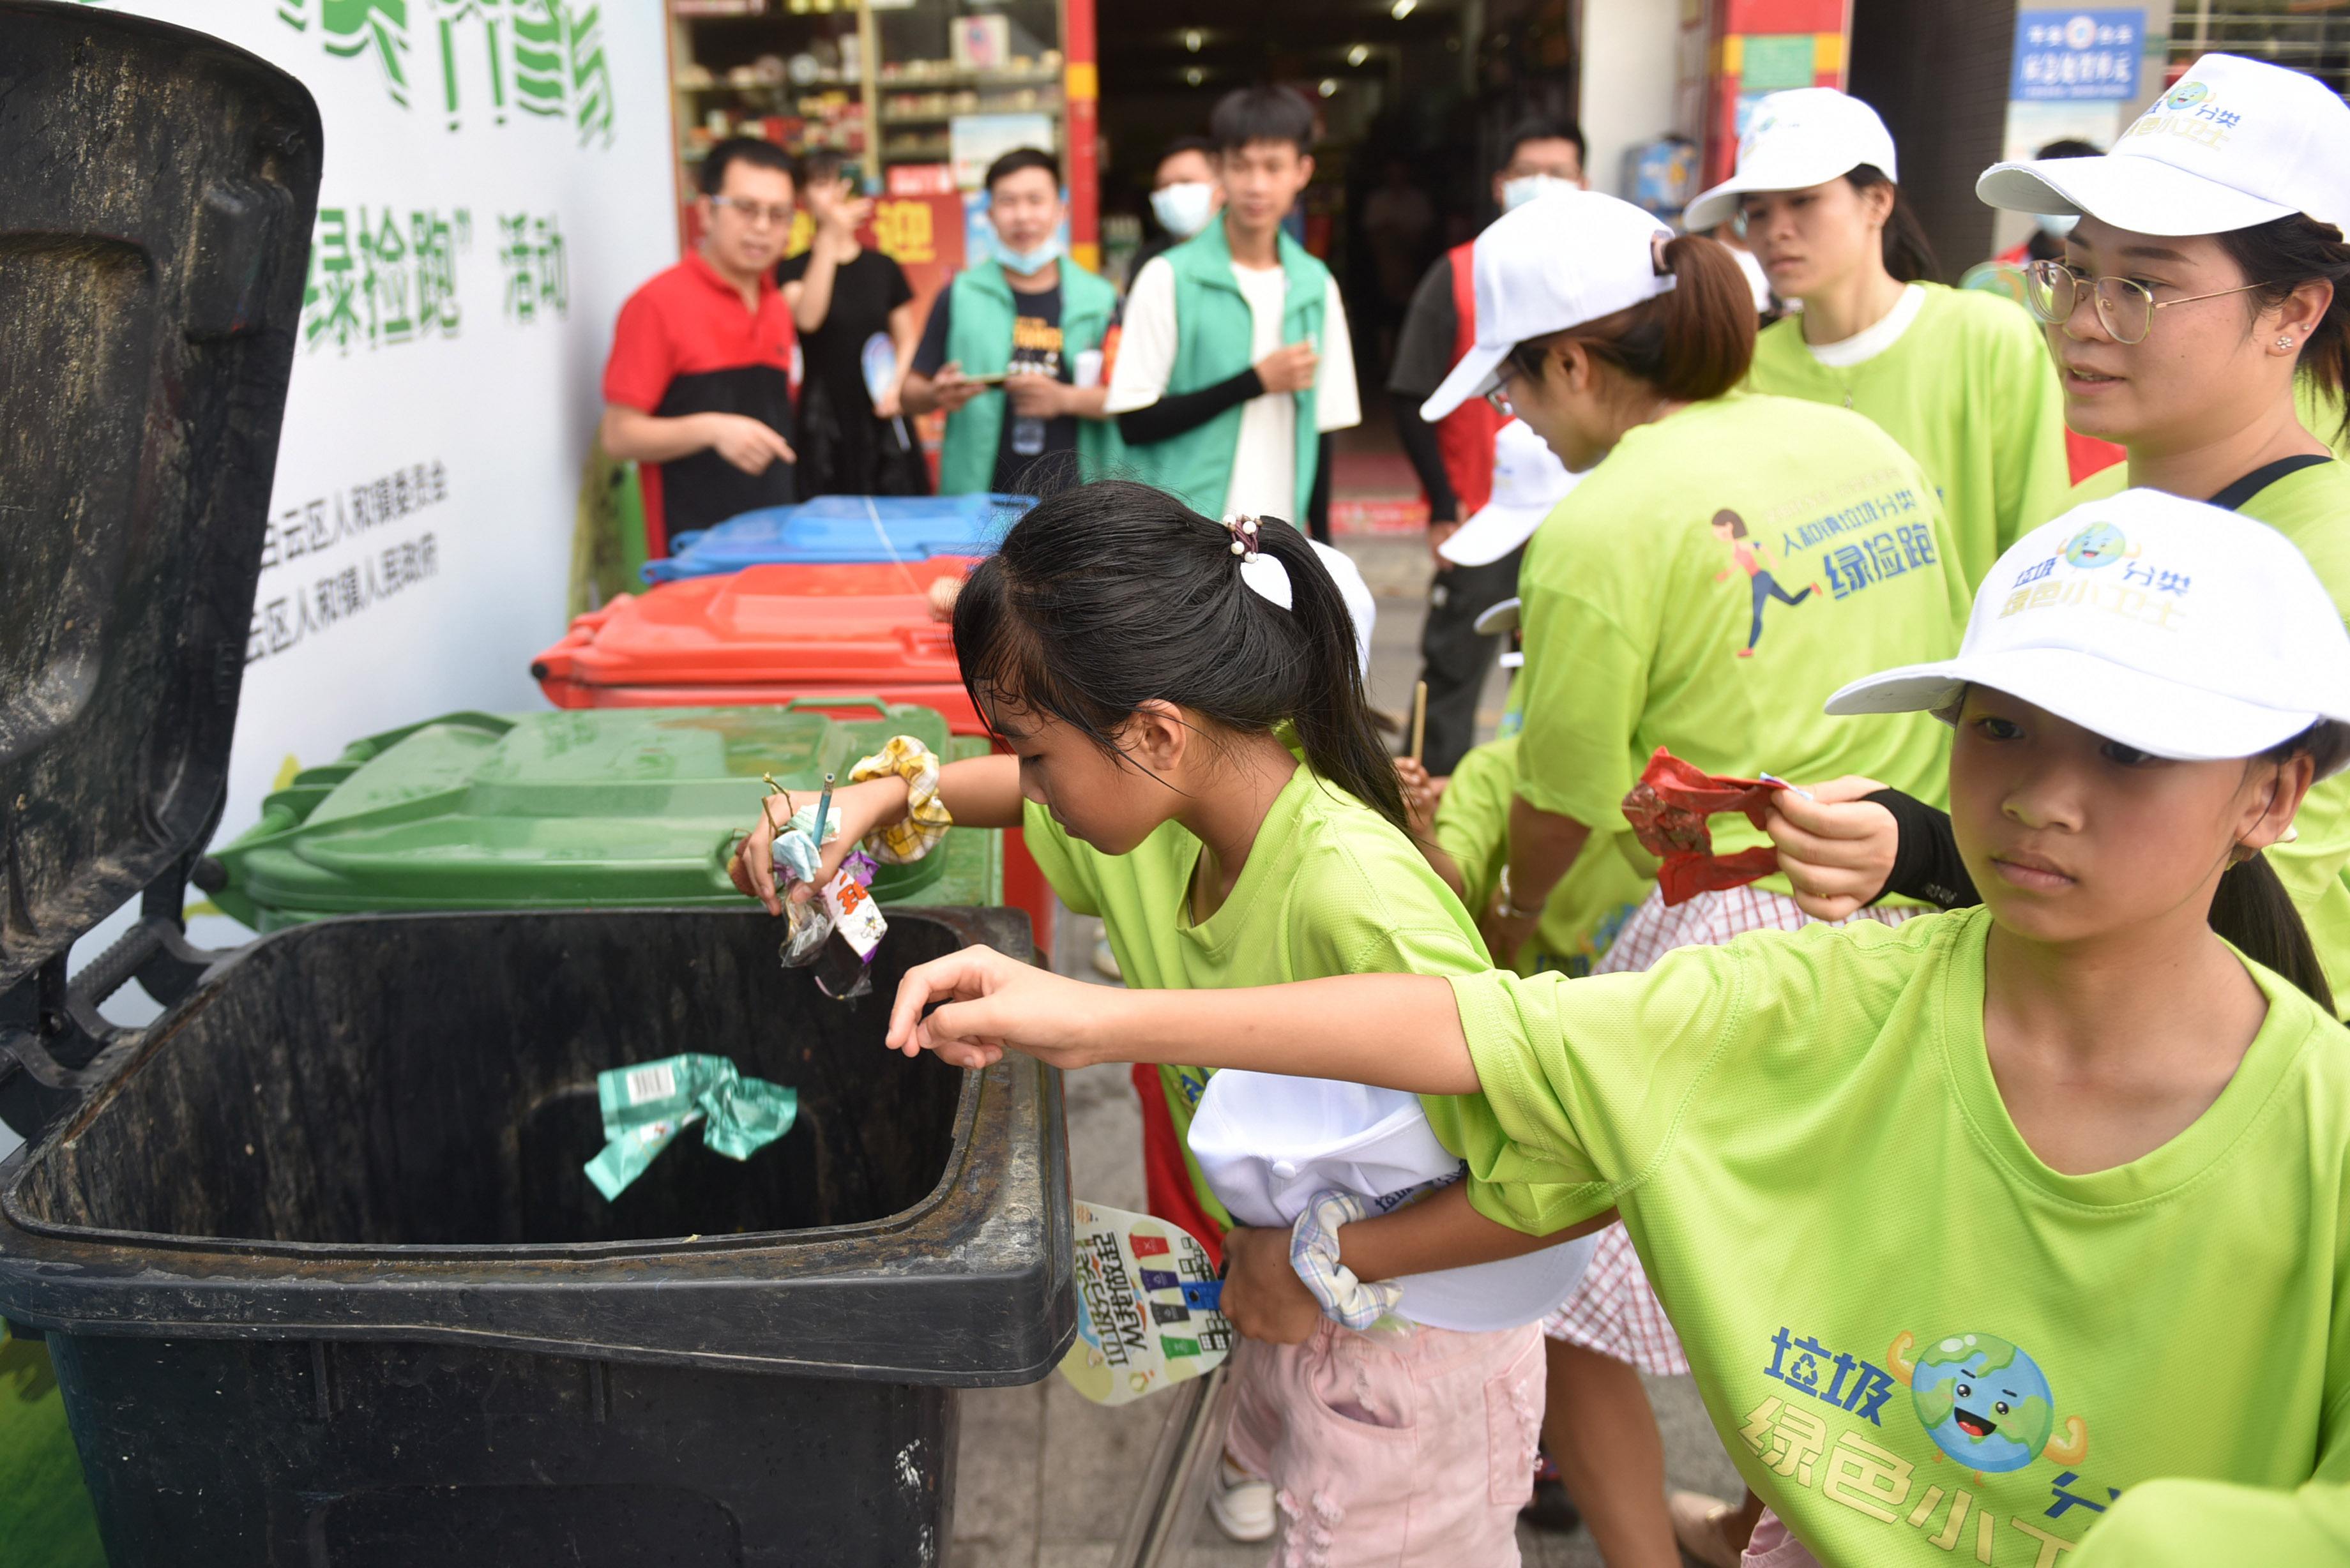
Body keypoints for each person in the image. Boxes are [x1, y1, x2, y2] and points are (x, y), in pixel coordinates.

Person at [886, 491, 2350, 1568]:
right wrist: (1095, 1016)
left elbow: (1512, 1153)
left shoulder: (2316, 1134)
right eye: (1999, 725)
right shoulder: (1811, 992)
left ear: (2271, 795)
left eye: (2129, 749)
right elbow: (1488, 1029)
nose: (2040, 795)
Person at [728, 483, 1599, 1560]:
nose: (1029, 784)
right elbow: (1004, 788)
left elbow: (1576, 1174)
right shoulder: (1162, 814)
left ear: (1153, 731)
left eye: (1038, 754)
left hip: (1417, 1342)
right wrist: (868, 804)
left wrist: (1338, 1254)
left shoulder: (1356, 894)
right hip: (1291, 1286)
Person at [1414, 189, 1969, 1568]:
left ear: (1577, 363)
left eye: (1515, 389)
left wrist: (1509, 922)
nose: (1518, 426)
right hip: (1916, 887)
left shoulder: (1603, 530)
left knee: (1559, 1270)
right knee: (1817, 1275)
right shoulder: (1856, 444)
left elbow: (1556, 799)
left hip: (1739, 932)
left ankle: (1645, 1557)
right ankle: (1770, 1527)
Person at [1784, 53, 2350, 1005]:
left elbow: (2262, 905)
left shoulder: (2324, 559)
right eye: (2074, 272)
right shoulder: (2089, 525)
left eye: (2144, 287)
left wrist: (1927, 853)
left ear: (2291, 313)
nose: (2083, 320)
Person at [1686, 89, 2073, 591]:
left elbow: (2037, 537)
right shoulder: (1745, 368)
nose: (1776, 231)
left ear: (1878, 201)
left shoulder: (1988, 338)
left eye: (1803, 200)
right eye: (1756, 213)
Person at [1390, 117, 1588, 776]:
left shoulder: (1604, 275)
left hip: (1583, 515)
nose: (1542, 185)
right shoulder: (1456, 274)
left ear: (1582, 183)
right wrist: (1443, 504)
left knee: (1569, 680)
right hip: (1483, 512)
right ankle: (1424, 817)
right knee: (1452, 672)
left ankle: (1541, 809)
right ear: (1501, 184)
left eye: (1557, 172)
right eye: (1527, 171)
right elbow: (1411, 394)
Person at [1109, 84, 1360, 526]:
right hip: (1187, 536)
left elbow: (1321, 433)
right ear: (1220, 172)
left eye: (1273, 167)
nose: (1256, 185)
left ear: (1303, 172)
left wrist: (1320, 548)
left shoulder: (1315, 286)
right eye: (1241, 166)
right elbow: (1134, 422)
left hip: (1278, 536)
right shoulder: (1168, 277)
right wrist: (1255, 381)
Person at [600, 137, 800, 556]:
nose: (763, 227)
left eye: (778, 214)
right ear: (707, 211)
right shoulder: (657, 304)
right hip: (691, 554)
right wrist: (711, 430)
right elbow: (618, 436)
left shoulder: (776, 303)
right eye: (746, 209)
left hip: (777, 543)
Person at [902, 149, 1122, 495]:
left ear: (1060, 209)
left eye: (1036, 200)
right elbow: (910, 395)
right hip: (980, 499)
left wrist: (1063, 399)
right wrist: (936, 394)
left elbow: (1128, 397)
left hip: (1078, 500)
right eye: (1008, 202)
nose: (1022, 216)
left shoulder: (1101, 299)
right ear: (989, 214)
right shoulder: (960, 294)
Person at [777, 149, 928, 497]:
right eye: (820, 183)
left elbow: (905, 337)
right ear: (803, 197)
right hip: (824, 415)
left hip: (881, 405)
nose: (832, 193)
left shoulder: (883, 267)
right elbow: (808, 319)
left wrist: (896, 385)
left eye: (839, 182)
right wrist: (828, 241)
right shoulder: (793, 268)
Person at [1130, 133, 1223, 286]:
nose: (1173, 193)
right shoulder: (1148, 262)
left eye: (1186, 182)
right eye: (1164, 186)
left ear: (1221, 188)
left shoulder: (1247, 256)